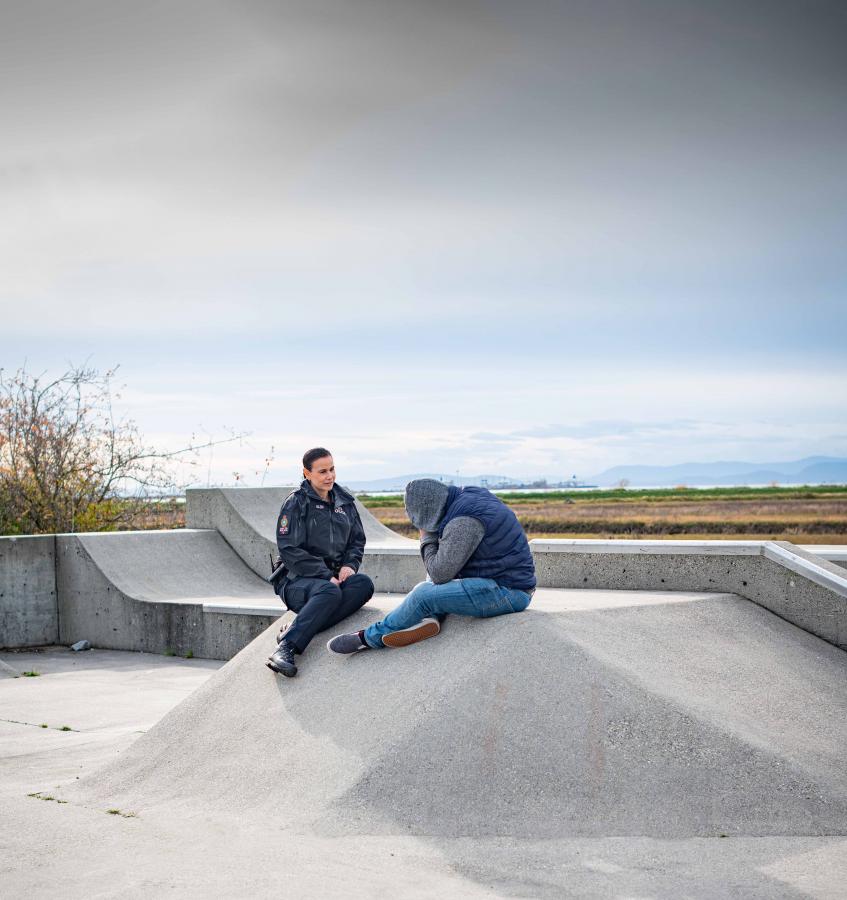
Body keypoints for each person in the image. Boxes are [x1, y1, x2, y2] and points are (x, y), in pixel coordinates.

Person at [327, 478, 535, 654]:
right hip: (497, 578)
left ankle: (367, 638)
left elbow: (439, 573)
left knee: (422, 595)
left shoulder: (462, 522)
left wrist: (426, 537)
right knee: (424, 586)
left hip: (508, 592)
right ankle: (430, 618)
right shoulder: (467, 497)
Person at [266, 447, 374, 677]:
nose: (329, 476)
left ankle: (297, 629)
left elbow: (357, 540)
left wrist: (349, 565)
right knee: (329, 592)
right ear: (307, 473)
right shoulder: (296, 503)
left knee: (363, 585)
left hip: (331, 581)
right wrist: (325, 575)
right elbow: (289, 549)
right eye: (322, 471)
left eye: (332, 469)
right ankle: (286, 648)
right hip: (295, 582)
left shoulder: (344, 502)